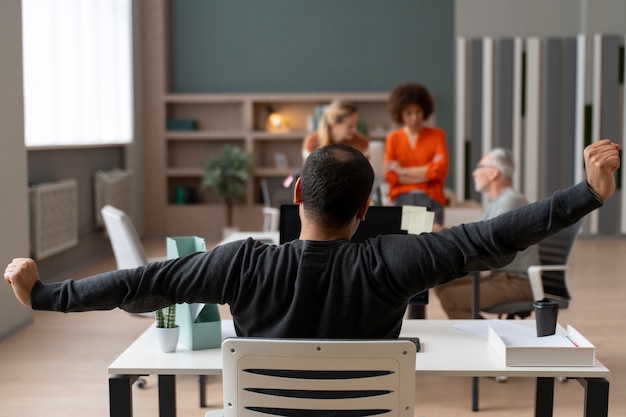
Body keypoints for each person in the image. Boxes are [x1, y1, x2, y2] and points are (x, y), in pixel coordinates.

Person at [4, 140, 621, 340]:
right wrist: (587, 194)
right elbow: (493, 237)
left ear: (296, 197)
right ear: (366, 210)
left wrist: (46, 295)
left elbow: (140, 284)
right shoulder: (397, 258)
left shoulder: (241, 265)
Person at [435, 148, 540, 319]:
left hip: (518, 282)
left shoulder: (512, 201)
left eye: (479, 166)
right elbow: (473, 231)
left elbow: (484, 241)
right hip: (501, 278)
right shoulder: (499, 201)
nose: (474, 172)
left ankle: (483, 339)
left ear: (493, 173)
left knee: (450, 297)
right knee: (441, 283)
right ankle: (485, 333)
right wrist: (443, 232)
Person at [384, 82, 448, 229]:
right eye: (408, 113)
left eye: (418, 111)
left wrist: (403, 171)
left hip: (431, 197)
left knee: (426, 240)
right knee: (408, 240)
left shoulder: (437, 135)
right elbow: (391, 176)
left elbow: (439, 171)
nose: (414, 118)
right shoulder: (393, 138)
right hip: (402, 198)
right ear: (400, 114)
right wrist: (426, 173)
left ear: (424, 111)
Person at [302, 100, 370, 161]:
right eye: (350, 127)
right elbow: (308, 173)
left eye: (356, 125)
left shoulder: (362, 143)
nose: (355, 130)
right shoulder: (312, 142)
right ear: (334, 124)